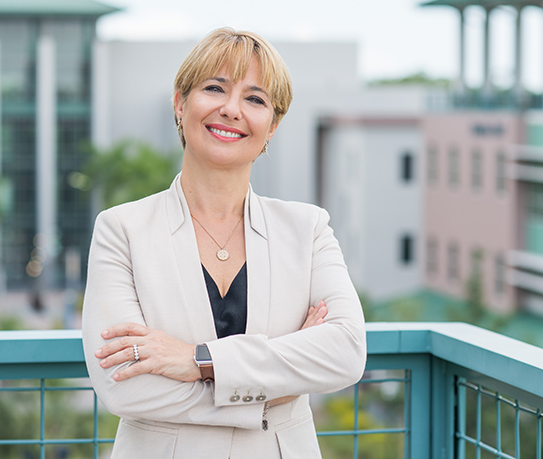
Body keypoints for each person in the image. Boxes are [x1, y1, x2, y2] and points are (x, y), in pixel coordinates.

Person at [82, 27, 366, 459]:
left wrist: (198, 362)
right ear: (180, 103)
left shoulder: (307, 229)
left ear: (273, 126)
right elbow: (123, 384)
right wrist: (274, 388)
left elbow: (345, 352)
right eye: (215, 88)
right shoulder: (121, 230)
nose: (231, 109)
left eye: (255, 99)